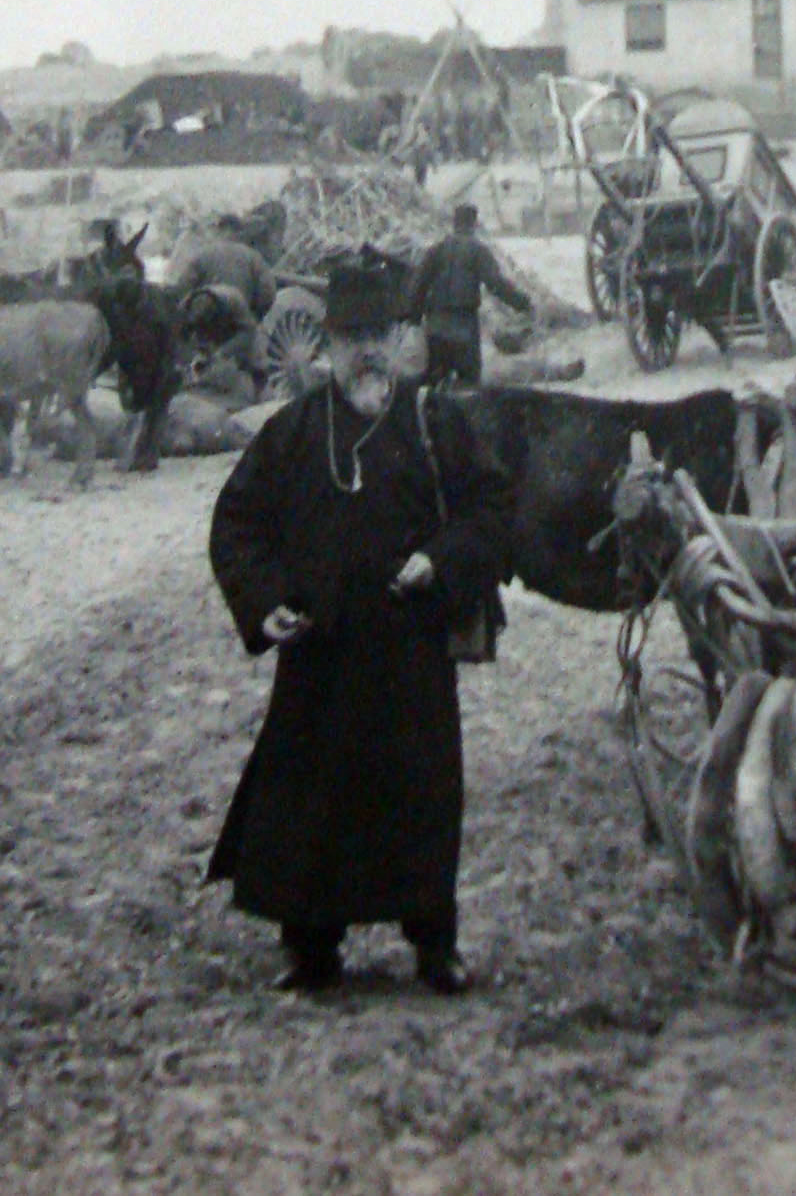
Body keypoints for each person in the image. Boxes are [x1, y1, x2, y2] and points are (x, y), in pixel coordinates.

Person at [206, 249, 513, 995]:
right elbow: (237, 524)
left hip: (412, 657)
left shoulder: (434, 422)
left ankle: (434, 946)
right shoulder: (292, 432)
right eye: (350, 338)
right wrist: (266, 600)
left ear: (401, 338)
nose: (366, 351)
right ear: (328, 346)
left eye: (379, 334)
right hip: (321, 653)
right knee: (312, 800)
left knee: (421, 799)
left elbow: (492, 509)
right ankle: (312, 949)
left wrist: (439, 560)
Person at [401, 201, 530, 391]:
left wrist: (414, 318)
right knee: (469, 389)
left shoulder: (436, 250)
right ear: (474, 224)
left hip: (436, 328)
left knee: (433, 387)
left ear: (454, 223)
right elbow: (496, 284)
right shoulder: (478, 250)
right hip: (464, 329)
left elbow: (417, 287)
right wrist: (522, 303)